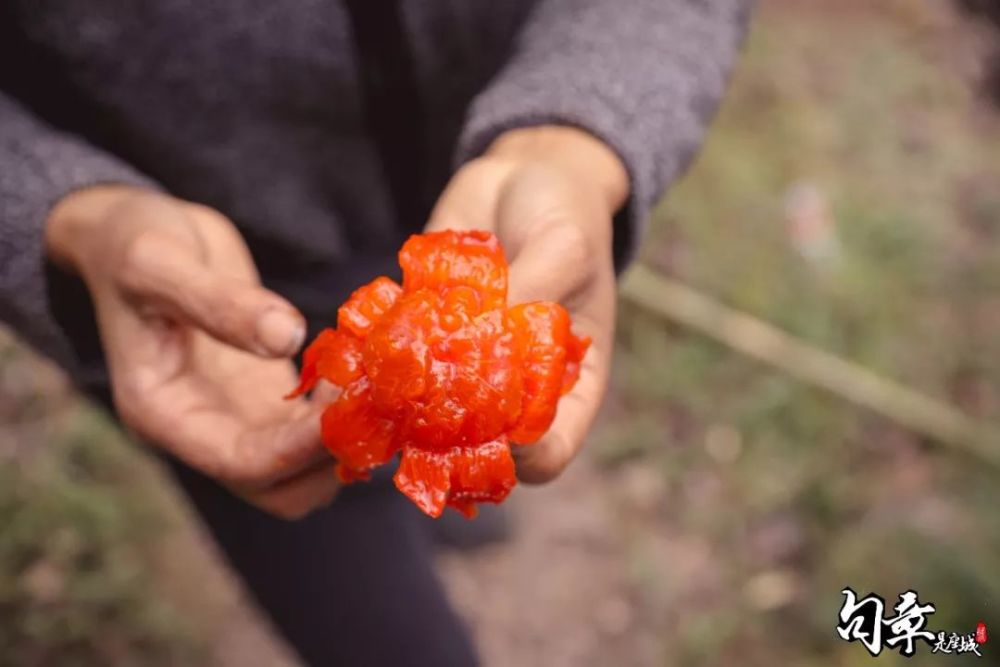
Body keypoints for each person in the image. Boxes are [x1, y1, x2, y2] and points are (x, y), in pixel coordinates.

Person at [0, 1, 749, 664]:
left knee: (448, 467)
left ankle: (438, 511)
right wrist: (62, 210)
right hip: (195, 285)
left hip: (483, 182)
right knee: (363, 585)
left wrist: (570, 137)